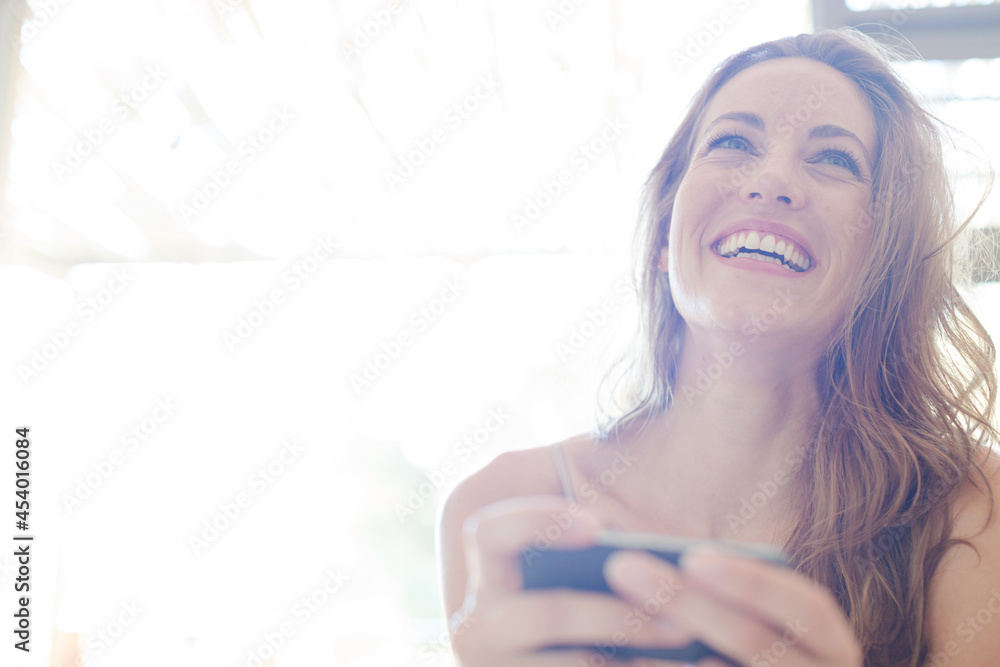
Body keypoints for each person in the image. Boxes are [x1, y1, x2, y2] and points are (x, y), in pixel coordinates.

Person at [437, 27, 1000, 666]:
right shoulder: (503, 507)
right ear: (664, 236)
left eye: (834, 159)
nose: (772, 180)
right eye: (733, 143)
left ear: (885, 258)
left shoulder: (973, 514)